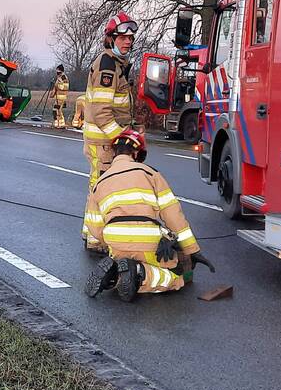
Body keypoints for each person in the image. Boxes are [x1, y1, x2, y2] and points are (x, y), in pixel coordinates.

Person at [83, 128, 214, 301]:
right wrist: (191, 249)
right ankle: (139, 272)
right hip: (147, 237)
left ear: (114, 153)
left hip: (114, 239)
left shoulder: (99, 181)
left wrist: (108, 241)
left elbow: (93, 223)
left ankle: (115, 273)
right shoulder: (150, 173)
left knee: (126, 263)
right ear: (137, 153)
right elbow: (173, 214)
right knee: (175, 277)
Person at [83, 12, 138, 192]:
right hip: (103, 144)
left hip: (108, 141)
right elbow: (101, 112)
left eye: (130, 37)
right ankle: (93, 222)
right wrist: (123, 139)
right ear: (111, 39)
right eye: (122, 37)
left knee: (112, 192)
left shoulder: (117, 64)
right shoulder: (107, 66)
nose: (128, 41)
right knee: (102, 191)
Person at [52, 64, 69, 129]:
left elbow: (65, 87)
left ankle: (60, 124)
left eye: (57, 70)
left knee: (56, 109)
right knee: (57, 110)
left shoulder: (63, 77)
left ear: (60, 70)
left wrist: (57, 86)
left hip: (61, 97)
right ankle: (58, 123)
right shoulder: (59, 77)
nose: (56, 71)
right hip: (58, 97)